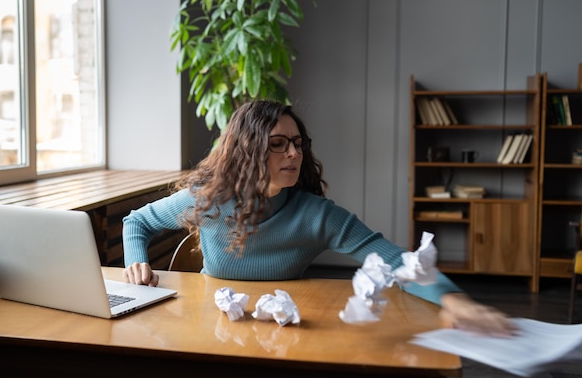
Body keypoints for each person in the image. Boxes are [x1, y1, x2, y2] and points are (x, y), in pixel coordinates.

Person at [122, 100, 516, 336]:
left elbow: (397, 260)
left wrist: (453, 299)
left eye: (297, 143)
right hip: (212, 334)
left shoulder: (316, 215)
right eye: (277, 144)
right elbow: (136, 222)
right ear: (245, 152)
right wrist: (136, 262)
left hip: (287, 336)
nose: (294, 154)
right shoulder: (207, 201)